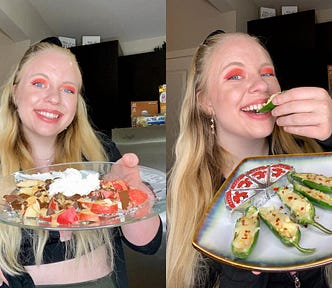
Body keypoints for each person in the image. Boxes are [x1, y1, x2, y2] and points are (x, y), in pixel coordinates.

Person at [166, 31, 332, 288]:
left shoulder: (312, 155)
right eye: (235, 76)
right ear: (205, 101)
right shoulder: (188, 198)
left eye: (267, 73)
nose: (262, 86)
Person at [0, 41, 162, 287]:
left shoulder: (100, 153)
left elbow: (147, 244)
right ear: (14, 92)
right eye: (39, 83)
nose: (54, 98)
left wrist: (129, 195)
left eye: (67, 89)